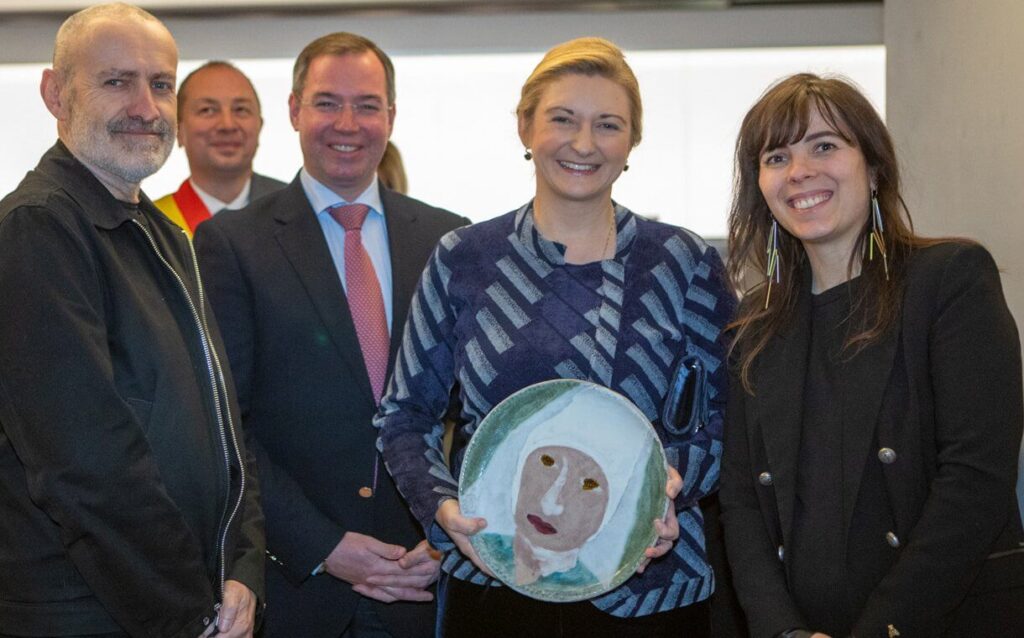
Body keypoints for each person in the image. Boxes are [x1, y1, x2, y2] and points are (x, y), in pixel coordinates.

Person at [375, 37, 735, 637]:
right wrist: (443, 509)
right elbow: (404, 416)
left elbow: (732, 421)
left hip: (654, 592)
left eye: (609, 125)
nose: (584, 144)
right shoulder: (465, 260)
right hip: (496, 584)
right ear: (525, 127)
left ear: (632, 142)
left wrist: (667, 488)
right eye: (563, 119)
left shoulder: (685, 263)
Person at [719, 73, 1024, 638]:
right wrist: (781, 631)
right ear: (759, 184)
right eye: (777, 156)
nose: (800, 171)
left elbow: (975, 481)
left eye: (825, 146)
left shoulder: (952, 281)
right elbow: (739, 501)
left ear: (874, 167)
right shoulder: (754, 323)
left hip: (943, 619)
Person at [194, 32, 469, 638]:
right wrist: (323, 545)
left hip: (424, 580)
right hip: (300, 590)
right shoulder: (232, 245)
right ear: (294, 109)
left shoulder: (449, 241)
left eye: (368, 105)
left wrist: (450, 530)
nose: (348, 123)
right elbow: (227, 425)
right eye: (326, 102)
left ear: (391, 117)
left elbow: (474, 410)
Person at [0, 4, 263, 638]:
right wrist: (189, 613)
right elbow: (86, 466)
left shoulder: (166, 237)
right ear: (55, 93)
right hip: (89, 613)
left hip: (197, 598)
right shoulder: (36, 231)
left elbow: (225, 426)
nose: (145, 106)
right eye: (117, 81)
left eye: (162, 84)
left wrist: (243, 567)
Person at [155, 61, 285, 236]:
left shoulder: (298, 211)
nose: (227, 125)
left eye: (241, 109)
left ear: (259, 126)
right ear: (177, 130)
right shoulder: (154, 225)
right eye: (208, 110)